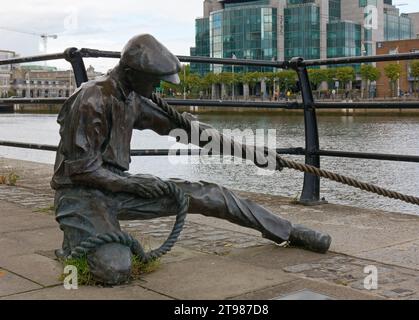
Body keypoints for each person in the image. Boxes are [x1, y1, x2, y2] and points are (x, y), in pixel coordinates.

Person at [51, 34, 331, 285]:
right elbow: (81, 171)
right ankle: (75, 245)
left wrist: (250, 153)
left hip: (118, 188)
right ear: (130, 72)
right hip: (81, 195)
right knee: (115, 270)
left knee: (213, 195)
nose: (158, 86)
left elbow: (190, 132)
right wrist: (135, 185)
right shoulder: (91, 98)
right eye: (154, 79)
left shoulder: (133, 99)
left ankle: (288, 231)